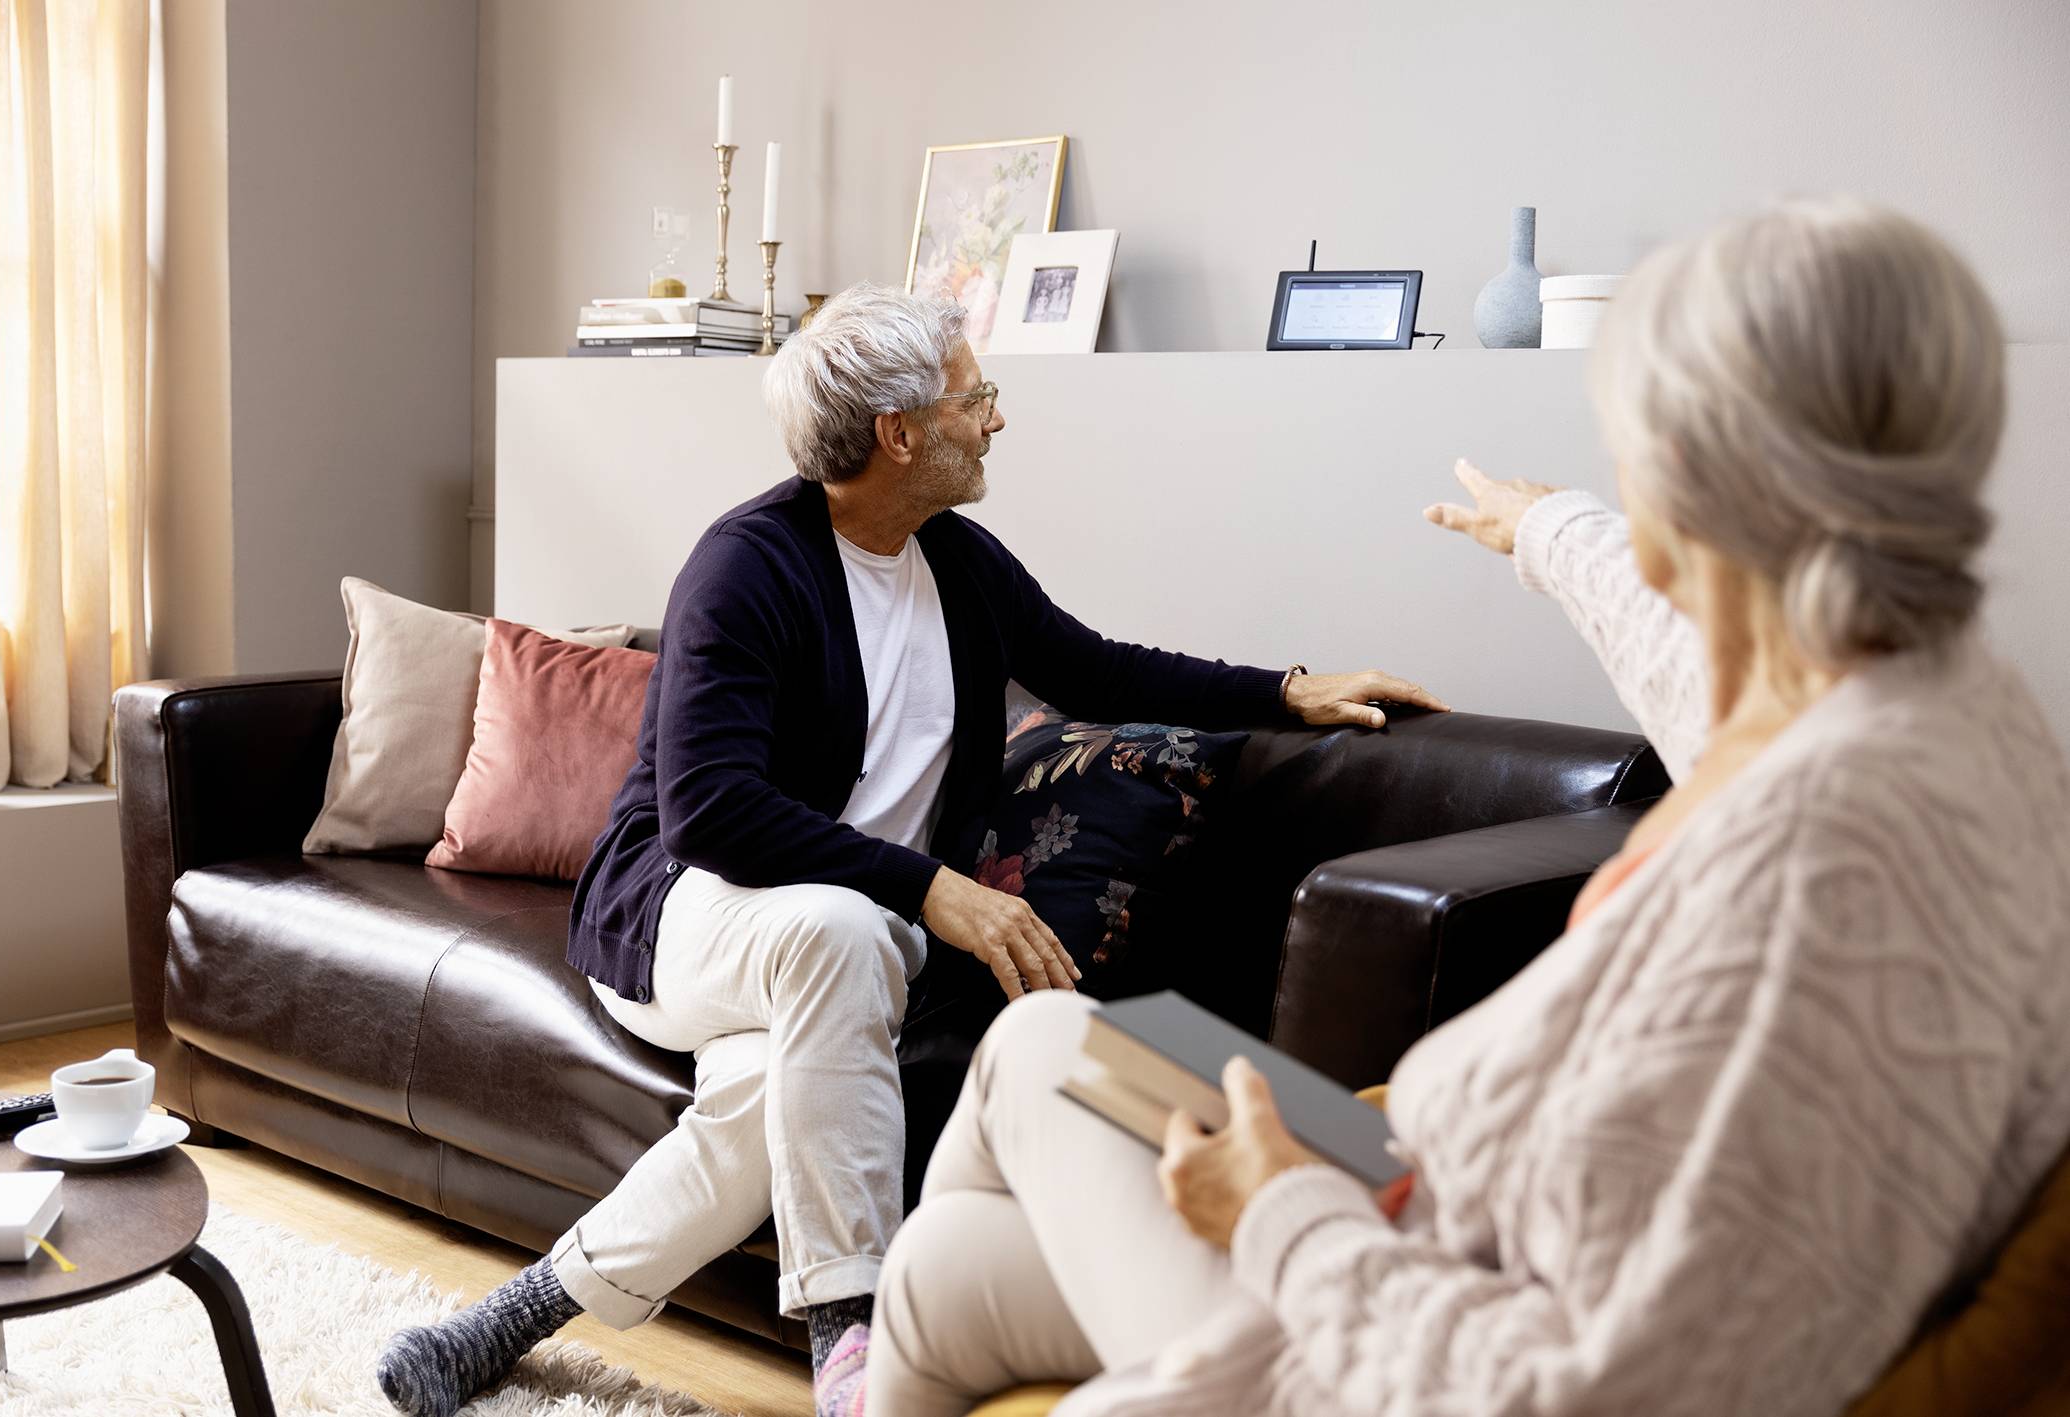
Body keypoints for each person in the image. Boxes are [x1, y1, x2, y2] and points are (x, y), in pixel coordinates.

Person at [864, 198, 2070, 1417]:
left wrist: (1281, 1208)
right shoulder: (1932, 699)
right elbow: (1704, 673)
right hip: (1420, 1224)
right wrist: (1549, 532)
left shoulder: (1820, 871)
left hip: (1409, 1326)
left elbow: (1600, 1390)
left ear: (1703, 483)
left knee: (1019, 1072)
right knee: (937, 1261)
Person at [374, 282, 1445, 1417]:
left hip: (841, 949)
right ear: (899, 432)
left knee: (763, 1104)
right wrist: (930, 889)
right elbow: (707, 810)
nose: (995, 416)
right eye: (975, 395)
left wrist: (1288, 688)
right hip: (692, 913)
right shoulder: (746, 567)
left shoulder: (956, 563)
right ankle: (850, 1339)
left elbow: (1103, 672)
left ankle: (509, 1318)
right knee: (839, 929)